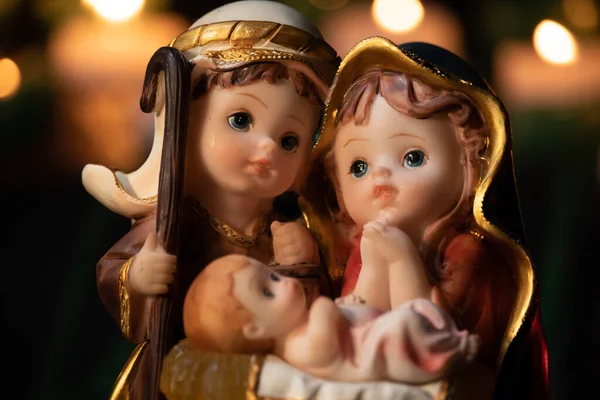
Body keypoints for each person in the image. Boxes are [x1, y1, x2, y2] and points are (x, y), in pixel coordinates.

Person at [81, 1, 340, 398]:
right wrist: (138, 276)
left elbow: (312, 316)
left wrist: (303, 266)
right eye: (241, 120)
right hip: (184, 370)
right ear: (187, 121)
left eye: (289, 140)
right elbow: (115, 274)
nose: (267, 148)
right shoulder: (173, 223)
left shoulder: (288, 229)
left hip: (273, 373)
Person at [303, 38, 548, 399]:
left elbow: (433, 348)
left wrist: (402, 260)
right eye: (358, 166)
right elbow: (354, 331)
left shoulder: (465, 254)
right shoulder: (359, 248)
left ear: (470, 162)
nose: (379, 178)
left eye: (412, 157)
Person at [183, 254, 480, 384]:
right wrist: (329, 307)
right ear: (256, 328)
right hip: (374, 352)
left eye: (272, 275)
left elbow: (336, 317)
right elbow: (327, 330)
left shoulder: (300, 325)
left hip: (371, 331)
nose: (284, 282)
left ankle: (444, 335)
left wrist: (344, 306)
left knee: (415, 310)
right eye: (268, 291)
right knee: (405, 325)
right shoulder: (297, 349)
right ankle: (452, 350)